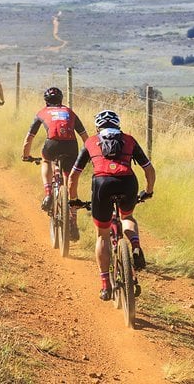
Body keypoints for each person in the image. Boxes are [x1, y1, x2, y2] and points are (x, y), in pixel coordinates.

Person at [67, 110, 156, 301]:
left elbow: (74, 176)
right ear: (118, 125)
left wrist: (73, 198)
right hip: (128, 183)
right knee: (127, 217)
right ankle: (135, 245)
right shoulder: (129, 140)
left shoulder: (90, 142)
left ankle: (105, 285)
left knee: (102, 235)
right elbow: (148, 169)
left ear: (98, 127)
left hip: (102, 185)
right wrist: (148, 191)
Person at [21, 87, 89, 240]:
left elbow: (29, 139)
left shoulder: (42, 113)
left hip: (51, 145)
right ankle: (73, 222)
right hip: (71, 146)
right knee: (70, 181)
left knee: (45, 159)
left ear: (46, 101)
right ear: (61, 100)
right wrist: (91, 155)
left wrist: (26, 156)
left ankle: (48, 193)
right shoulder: (70, 112)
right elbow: (85, 137)